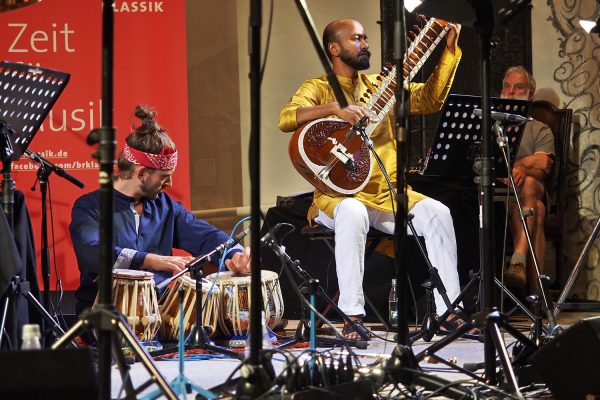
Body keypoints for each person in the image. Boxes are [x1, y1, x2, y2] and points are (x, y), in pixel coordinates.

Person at [278, 19, 464, 339]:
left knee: (439, 213)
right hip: (335, 197)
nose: (365, 44)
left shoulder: (382, 86)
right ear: (335, 49)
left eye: (365, 38)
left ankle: (449, 311)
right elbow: (286, 119)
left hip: (386, 195)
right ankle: (352, 314)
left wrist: (449, 51)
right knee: (353, 211)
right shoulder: (318, 87)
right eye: (356, 38)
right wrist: (336, 108)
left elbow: (431, 99)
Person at [70, 105, 251, 314]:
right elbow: (92, 251)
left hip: (156, 314)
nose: (170, 182)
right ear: (142, 173)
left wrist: (235, 254)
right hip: (101, 316)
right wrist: (151, 260)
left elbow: (207, 237)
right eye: (164, 176)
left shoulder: (165, 206)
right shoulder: (90, 207)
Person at [500, 66, 554, 290]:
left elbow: (543, 165)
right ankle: (537, 297)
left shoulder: (540, 129)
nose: (511, 92)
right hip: (498, 197)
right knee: (537, 210)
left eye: (518, 87)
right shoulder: (493, 127)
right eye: (507, 87)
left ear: (530, 95)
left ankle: (519, 259)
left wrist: (514, 168)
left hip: (525, 193)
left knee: (531, 182)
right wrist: (524, 165)